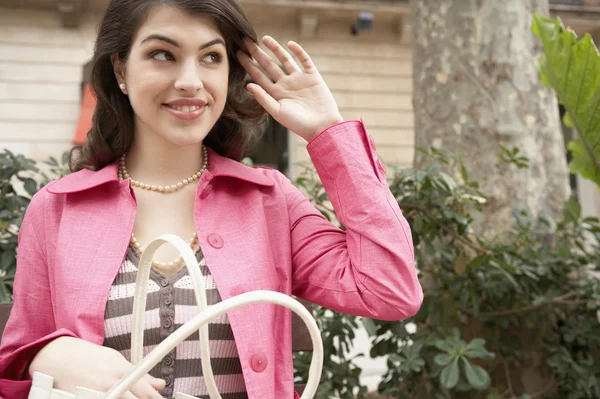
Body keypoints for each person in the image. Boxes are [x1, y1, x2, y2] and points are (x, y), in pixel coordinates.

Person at [0, 0, 423, 398]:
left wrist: (328, 132)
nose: (190, 81)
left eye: (210, 57)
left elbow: (390, 289)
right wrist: (47, 354)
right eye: (163, 54)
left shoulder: (270, 201)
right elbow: (13, 363)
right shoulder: (56, 209)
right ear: (121, 70)